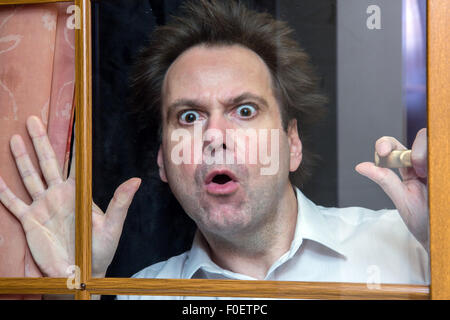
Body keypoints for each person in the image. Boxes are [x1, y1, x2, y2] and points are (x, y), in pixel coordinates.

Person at [0, 0, 428, 300]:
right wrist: (74, 291)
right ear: (163, 162)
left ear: (291, 143)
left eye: (244, 109)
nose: (214, 135)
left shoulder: (412, 247)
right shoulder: (137, 296)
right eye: (188, 117)